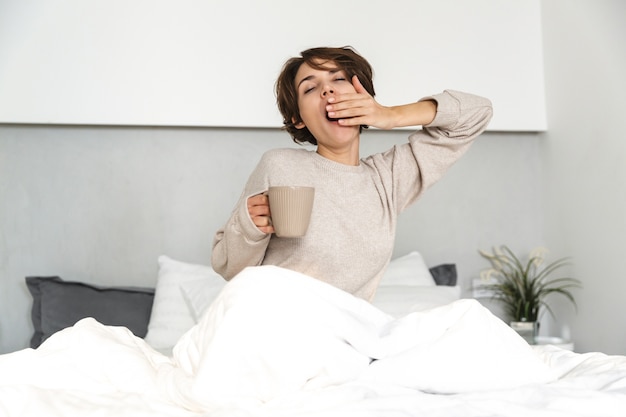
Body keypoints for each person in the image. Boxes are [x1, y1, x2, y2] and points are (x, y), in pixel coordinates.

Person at [211, 46, 492, 301]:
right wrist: (250, 227)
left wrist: (390, 115)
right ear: (298, 118)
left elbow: (478, 112)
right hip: (276, 328)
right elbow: (228, 266)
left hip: (347, 340)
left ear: (363, 96)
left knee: (469, 321)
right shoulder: (279, 165)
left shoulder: (388, 178)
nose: (327, 91)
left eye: (339, 79)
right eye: (310, 89)